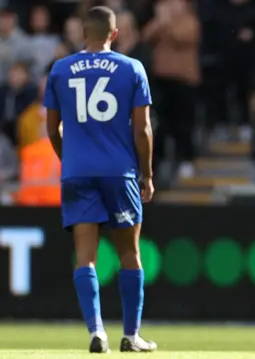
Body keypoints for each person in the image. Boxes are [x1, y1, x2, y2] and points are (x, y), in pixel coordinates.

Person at [43, 6, 156, 354]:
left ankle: (97, 331)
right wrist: (147, 173)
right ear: (115, 33)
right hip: (119, 172)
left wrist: (70, 159)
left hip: (78, 172)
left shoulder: (61, 69)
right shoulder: (131, 68)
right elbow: (143, 129)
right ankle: (131, 335)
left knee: (85, 256)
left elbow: (51, 128)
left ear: (82, 32)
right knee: (129, 254)